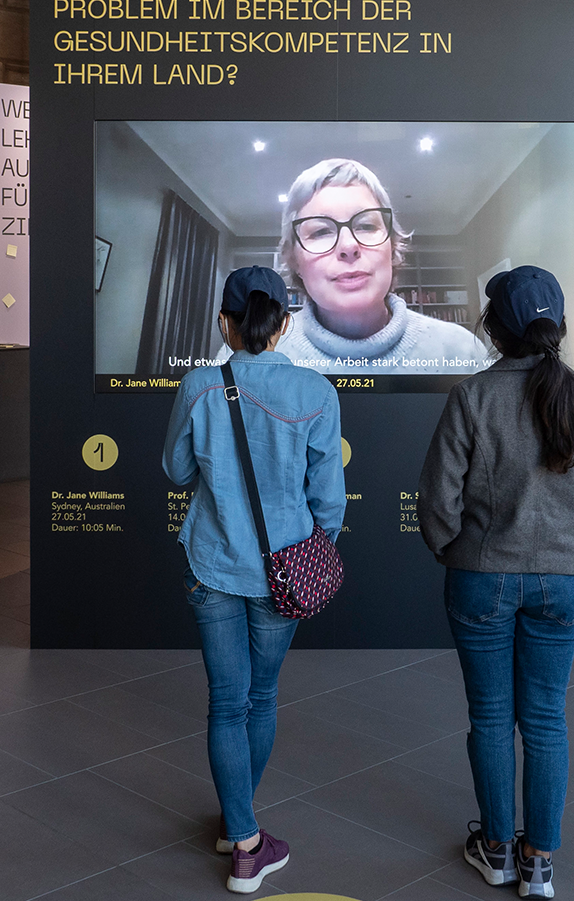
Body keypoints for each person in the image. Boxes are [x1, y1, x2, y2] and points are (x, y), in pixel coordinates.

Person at [417, 265, 574, 899]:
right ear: (558, 325)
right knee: (545, 719)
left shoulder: (472, 397)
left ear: (494, 329)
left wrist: (455, 551)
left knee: (490, 718)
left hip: (480, 579)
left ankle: (496, 851)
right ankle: (538, 864)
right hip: (562, 584)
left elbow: (437, 501)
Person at [163, 266, 346, 894]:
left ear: (225, 322)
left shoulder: (198, 384)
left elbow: (175, 469)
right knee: (261, 698)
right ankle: (242, 838)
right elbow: (329, 500)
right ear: (284, 324)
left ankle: (239, 829)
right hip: (284, 570)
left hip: (212, 562)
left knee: (226, 701)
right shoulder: (316, 392)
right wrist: (314, 545)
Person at [269, 158, 489, 375]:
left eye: (366, 226)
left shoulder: (463, 353)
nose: (349, 246)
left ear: (392, 246)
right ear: (294, 259)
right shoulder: (259, 356)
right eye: (321, 231)